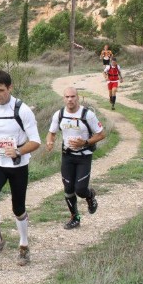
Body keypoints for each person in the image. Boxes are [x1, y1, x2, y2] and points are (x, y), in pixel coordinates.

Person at [0, 70, 41, 265]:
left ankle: (24, 246)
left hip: (18, 165)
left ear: (10, 88)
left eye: (1, 90)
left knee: (18, 208)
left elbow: (36, 141)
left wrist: (19, 151)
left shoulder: (22, 110)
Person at [45, 87, 106, 230]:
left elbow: (101, 134)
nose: (70, 99)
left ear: (78, 97)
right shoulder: (59, 114)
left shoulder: (87, 114)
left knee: (80, 189)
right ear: (63, 98)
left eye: (73, 96)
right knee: (68, 189)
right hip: (67, 156)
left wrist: (84, 142)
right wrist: (49, 142)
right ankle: (75, 217)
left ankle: (90, 196)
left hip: (84, 157)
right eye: (67, 97)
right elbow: (51, 133)